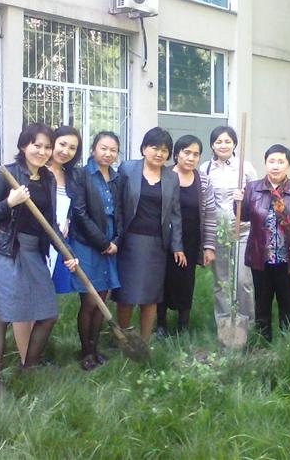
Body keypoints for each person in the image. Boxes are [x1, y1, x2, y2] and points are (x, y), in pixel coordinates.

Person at [0, 123, 77, 396]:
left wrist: (67, 253)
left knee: (48, 314)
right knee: (1, 316)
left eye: (47, 147)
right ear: (23, 146)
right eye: (36, 145)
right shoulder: (6, 175)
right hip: (7, 251)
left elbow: (50, 224)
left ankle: (28, 367)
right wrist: (9, 202)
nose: (42, 152)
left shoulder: (48, 179)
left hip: (33, 253)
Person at [11, 125, 81, 366]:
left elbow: (68, 207)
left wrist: (68, 221)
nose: (65, 151)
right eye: (61, 144)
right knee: (26, 300)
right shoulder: (36, 170)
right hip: (31, 242)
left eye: (72, 148)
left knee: (40, 300)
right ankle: (26, 358)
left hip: (55, 243)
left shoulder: (69, 176)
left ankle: (34, 354)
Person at [234, 144, 290, 342]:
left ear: (288, 165)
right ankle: (263, 339)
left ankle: (287, 340)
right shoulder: (252, 188)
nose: (275, 166)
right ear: (265, 164)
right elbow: (243, 217)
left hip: (288, 257)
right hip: (261, 257)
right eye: (271, 161)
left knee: (287, 301)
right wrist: (238, 201)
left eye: (280, 162)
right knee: (262, 301)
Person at [112, 127, 186, 342]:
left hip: (157, 244)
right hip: (129, 242)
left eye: (164, 150)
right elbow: (117, 205)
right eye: (155, 148)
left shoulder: (172, 178)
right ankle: (123, 338)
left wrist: (177, 246)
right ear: (144, 148)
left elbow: (175, 214)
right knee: (126, 295)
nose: (159, 154)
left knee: (151, 296)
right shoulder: (128, 169)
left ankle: (144, 341)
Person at [69, 131, 123, 370]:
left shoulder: (116, 178)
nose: (108, 153)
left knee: (102, 300)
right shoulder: (81, 175)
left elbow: (120, 212)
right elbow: (80, 213)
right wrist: (102, 243)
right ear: (93, 150)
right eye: (103, 148)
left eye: (113, 150)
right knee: (89, 301)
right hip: (88, 244)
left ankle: (95, 348)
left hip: (111, 244)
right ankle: (85, 352)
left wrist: (117, 240)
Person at [157, 135, 217, 336]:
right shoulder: (163, 175)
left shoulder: (203, 180)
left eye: (196, 154)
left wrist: (209, 246)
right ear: (176, 154)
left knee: (186, 282)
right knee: (162, 280)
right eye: (187, 152)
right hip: (164, 240)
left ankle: (183, 326)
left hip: (191, 241)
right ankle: (161, 324)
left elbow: (210, 214)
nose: (191, 158)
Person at [199, 126, 257, 330]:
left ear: (234, 144)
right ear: (212, 145)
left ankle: (247, 324)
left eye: (227, 141)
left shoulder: (245, 168)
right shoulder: (205, 169)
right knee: (221, 281)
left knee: (243, 281)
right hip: (218, 233)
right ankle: (224, 323)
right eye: (218, 142)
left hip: (243, 231)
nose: (223, 145)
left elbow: (257, 198)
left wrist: (245, 197)